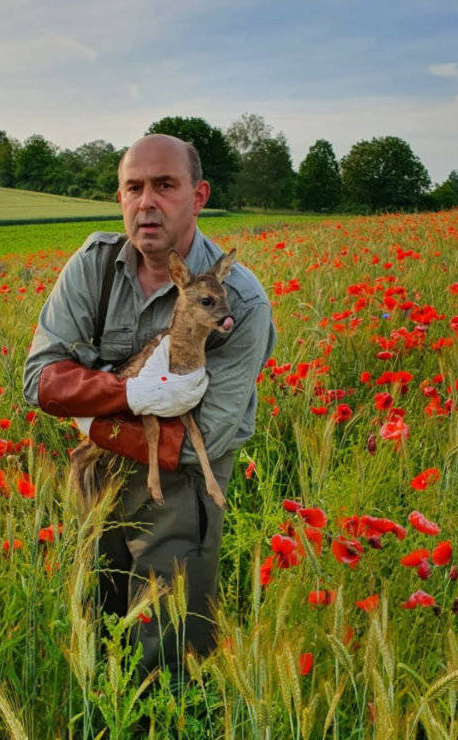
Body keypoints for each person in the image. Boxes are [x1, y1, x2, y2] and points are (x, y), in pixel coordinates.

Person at [23, 133, 276, 674]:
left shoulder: (242, 302)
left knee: (165, 661)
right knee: (93, 638)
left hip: (180, 501)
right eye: (133, 187)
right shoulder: (93, 267)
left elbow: (197, 443)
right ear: (120, 198)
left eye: (165, 185)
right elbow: (39, 382)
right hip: (94, 485)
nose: (147, 203)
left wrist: (89, 413)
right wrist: (131, 394)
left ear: (199, 194)